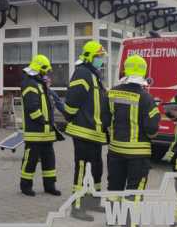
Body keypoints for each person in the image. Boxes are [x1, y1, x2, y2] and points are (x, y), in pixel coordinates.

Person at [64, 41, 111, 220]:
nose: (101, 60)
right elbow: (71, 102)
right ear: (90, 57)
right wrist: (73, 118)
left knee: (97, 169)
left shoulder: (93, 74)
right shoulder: (83, 73)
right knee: (83, 169)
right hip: (83, 132)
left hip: (95, 133)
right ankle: (77, 206)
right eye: (99, 57)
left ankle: (92, 202)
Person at [106, 55, 160, 208]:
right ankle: (130, 219)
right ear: (144, 72)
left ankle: (113, 218)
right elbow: (152, 129)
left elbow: (104, 119)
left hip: (115, 150)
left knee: (114, 189)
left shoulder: (111, 93)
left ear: (125, 70)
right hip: (138, 154)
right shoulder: (146, 98)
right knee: (134, 192)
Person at [19, 54, 61, 197]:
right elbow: (32, 108)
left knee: (49, 161)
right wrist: (43, 121)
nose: (47, 73)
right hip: (35, 132)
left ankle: (50, 186)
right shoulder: (29, 83)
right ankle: (25, 186)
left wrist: (48, 124)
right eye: (45, 70)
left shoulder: (39, 83)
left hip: (46, 132)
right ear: (39, 69)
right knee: (30, 161)